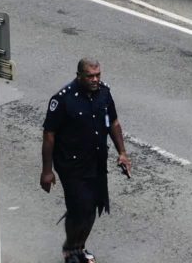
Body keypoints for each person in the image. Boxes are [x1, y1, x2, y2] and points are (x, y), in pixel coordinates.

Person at [40, 58, 130, 263]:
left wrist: (122, 152)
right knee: (80, 207)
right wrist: (47, 171)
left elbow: (113, 123)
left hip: (96, 160)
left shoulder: (104, 94)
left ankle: (79, 247)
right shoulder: (63, 99)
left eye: (98, 75)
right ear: (79, 75)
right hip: (71, 164)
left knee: (93, 206)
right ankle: (70, 249)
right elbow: (49, 135)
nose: (95, 79)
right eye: (90, 76)